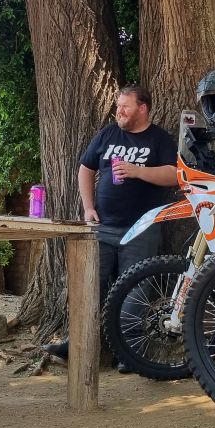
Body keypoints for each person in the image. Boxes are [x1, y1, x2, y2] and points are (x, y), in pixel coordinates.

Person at [45, 84, 178, 371]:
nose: (119, 111)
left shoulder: (159, 138)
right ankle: (75, 342)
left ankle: (127, 353)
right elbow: (85, 168)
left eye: (125, 106)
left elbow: (174, 175)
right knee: (88, 283)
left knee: (136, 289)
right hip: (102, 226)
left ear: (142, 108)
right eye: (118, 106)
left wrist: (137, 171)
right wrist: (88, 207)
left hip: (142, 228)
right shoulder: (108, 134)